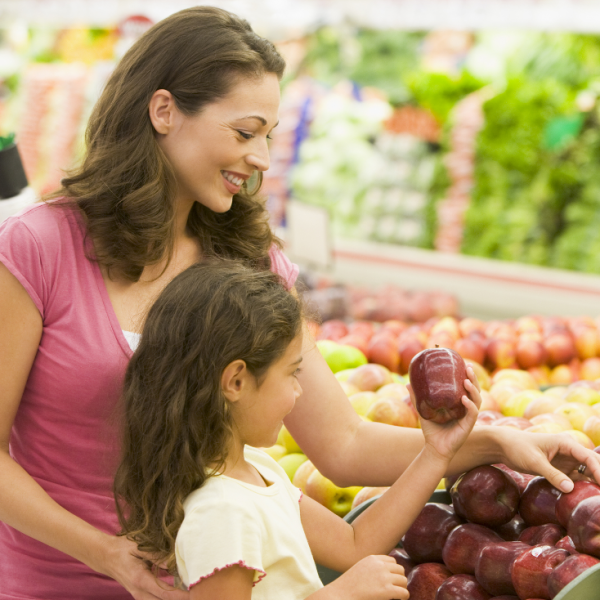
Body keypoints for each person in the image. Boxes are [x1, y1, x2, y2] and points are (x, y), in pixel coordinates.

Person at [0, 5, 599, 600]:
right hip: (55, 584)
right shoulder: (39, 247)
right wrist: (106, 554)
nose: (260, 159)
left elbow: (343, 445)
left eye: (268, 136)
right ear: (164, 110)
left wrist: (498, 441)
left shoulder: (252, 269)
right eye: (244, 132)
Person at [114, 259, 481, 600]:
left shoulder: (258, 469)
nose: (299, 391)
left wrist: (436, 453)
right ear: (236, 382)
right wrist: (340, 594)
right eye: (292, 373)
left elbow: (356, 542)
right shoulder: (221, 512)